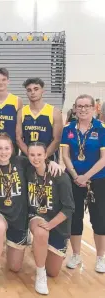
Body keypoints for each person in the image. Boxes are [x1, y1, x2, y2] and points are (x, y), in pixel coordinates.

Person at [0, 133, 61, 292]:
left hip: (18, 219)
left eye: (7, 148)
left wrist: (52, 162)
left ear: (12, 149)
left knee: (14, 267)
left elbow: (39, 160)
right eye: (0, 148)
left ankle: (15, 245)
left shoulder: (22, 162)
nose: (3, 152)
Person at [61, 94, 105, 273]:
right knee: (75, 217)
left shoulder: (101, 129)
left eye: (87, 106)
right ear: (75, 108)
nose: (83, 109)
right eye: (80, 106)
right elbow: (65, 155)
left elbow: (104, 159)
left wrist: (86, 176)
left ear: (94, 108)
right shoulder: (68, 129)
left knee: (99, 219)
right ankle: (76, 254)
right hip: (73, 179)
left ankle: (101, 257)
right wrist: (74, 174)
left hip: (97, 179)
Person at [27, 142, 74, 295]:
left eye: (39, 154)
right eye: (32, 155)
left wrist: (51, 224)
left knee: (53, 272)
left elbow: (69, 208)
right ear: (27, 155)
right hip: (37, 216)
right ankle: (40, 276)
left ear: (46, 155)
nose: (35, 158)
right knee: (41, 233)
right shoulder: (27, 170)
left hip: (57, 224)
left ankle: (42, 249)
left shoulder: (60, 176)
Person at [16, 78, 63, 160]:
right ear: (26, 93)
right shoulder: (21, 112)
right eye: (29, 90)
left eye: (36, 89)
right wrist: (31, 156)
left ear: (42, 90)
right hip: (27, 157)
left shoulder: (54, 112)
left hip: (48, 157)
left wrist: (42, 157)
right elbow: (18, 139)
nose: (33, 92)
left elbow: (57, 140)